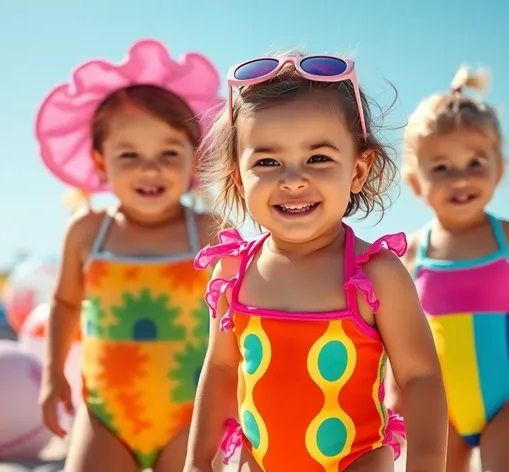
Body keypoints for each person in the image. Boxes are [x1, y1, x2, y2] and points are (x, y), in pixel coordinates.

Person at [184, 52, 448, 472]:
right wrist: (198, 463)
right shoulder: (234, 272)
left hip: (356, 461)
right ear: (239, 177)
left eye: (319, 158)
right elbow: (218, 369)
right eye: (267, 162)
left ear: (359, 170)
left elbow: (420, 377)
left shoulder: (374, 274)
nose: (293, 179)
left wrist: (428, 463)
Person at [34, 39, 224, 472]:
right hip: (106, 416)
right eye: (129, 155)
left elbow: (237, 316)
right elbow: (64, 304)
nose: (150, 168)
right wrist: (52, 376)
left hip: (191, 416)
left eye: (169, 154)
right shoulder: (88, 232)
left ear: (195, 158)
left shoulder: (210, 231)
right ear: (101, 162)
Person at [394, 66, 509, 472]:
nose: (460, 178)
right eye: (441, 167)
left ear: (499, 166)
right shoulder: (410, 253)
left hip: (508, 396)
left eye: (475, 162)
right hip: (438, 405)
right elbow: (397, 336)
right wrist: (393, 390)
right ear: (415, 181)